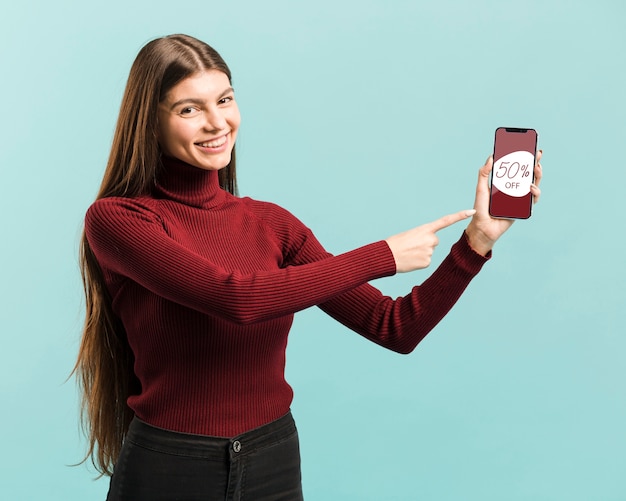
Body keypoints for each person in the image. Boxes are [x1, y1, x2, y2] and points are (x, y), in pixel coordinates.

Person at [74, 34, 542, 501]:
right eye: (189, 109)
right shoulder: (119, 220)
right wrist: (382, 256)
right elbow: (236, 298)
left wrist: (476, 243)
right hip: (171, 468)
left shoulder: (271, 223)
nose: (218, 123)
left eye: (225, 99)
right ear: (150, 122)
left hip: (272, 460)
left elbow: (395, 327)